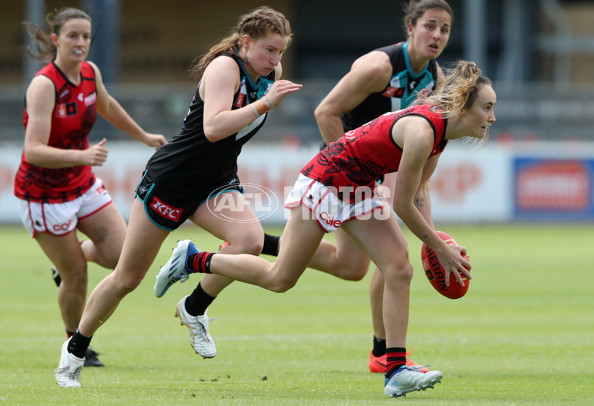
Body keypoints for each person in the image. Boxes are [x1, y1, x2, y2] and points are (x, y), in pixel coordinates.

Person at [158, 60, 496, 397]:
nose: (492, 118)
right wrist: (440, 246)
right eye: (487, 107)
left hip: (359, 187)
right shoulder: (424, 132)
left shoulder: (440, 136)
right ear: (462, 105)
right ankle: (193, 259)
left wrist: (433, 242)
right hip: (326, 181)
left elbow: (418, 192)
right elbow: (402, 204)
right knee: (280, 279)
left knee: (398, 268)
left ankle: (395, 370)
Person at [53, 6, 302, 388]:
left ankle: (194, 305)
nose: (275, 60)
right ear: (246, 41)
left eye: (281, 52)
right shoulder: (225, 68)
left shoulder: (271, 76)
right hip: (170, 181)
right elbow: (214, 127)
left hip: (215, 182)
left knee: (249, 241)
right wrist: (266, 103)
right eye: (269, 50)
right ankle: (73, 351)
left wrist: (266, 96)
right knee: (126, 278)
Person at [14, 7, 166, 368]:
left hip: (80, 185)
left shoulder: (89, 73)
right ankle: (75, 341)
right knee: (76, 276)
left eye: (85, 36)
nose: (80, 43)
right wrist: (83, 157)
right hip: (43, 195)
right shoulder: (44, 85)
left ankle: (70, 256)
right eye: (72, 36)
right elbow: (33, 150)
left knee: (123, 258)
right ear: (56, 40)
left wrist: (143, 135)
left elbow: (108, 104)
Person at [313, 0, 453, 374]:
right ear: (410, 27)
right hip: (341, 168)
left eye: (444, 29)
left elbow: (421, 171)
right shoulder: (378, 67)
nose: (437, 35)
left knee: (352, 266)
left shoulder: (434, 80)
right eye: (430, 26)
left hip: (371, 171)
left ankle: (255, 244)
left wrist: (432, 236)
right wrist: (349, 169)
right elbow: (325, 112)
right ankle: (386, 356)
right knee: (394, 260)